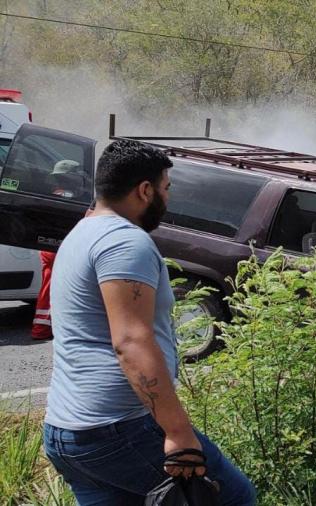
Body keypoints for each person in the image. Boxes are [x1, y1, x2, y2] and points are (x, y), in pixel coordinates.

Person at [42, 140, 256, 504]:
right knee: (234, 498)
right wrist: (177, 431)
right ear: (145, 190)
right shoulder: (125, 242)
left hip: (66, 431)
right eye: (166, 188)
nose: (167, 198)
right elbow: (130, 341)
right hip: (118, 428)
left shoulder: (81, 234)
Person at [31, 160, 85, 340]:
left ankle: (44, 326)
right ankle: (42, 328)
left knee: (50, 285)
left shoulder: (55, 193)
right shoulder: (67, 195)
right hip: (58, 246)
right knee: (55, 287)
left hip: (49, 246)